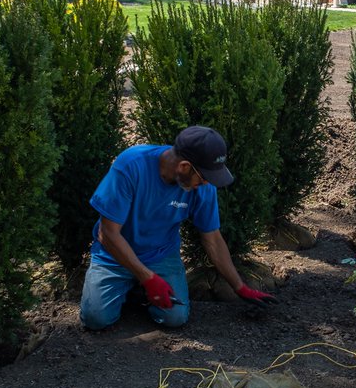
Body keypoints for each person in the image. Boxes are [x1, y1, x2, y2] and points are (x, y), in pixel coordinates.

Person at [79, 125, 275, 330]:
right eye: (204, 176)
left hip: (160, 255)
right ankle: (135, 285)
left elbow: (213, 238)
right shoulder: (131, 166)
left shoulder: (202, 187)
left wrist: (239, 286)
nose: (206, 184)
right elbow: (107, 234)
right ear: (184, 167)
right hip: (113, 256)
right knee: (95, 319)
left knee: (175, 318)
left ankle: (137, 291)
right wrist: (148, 278)